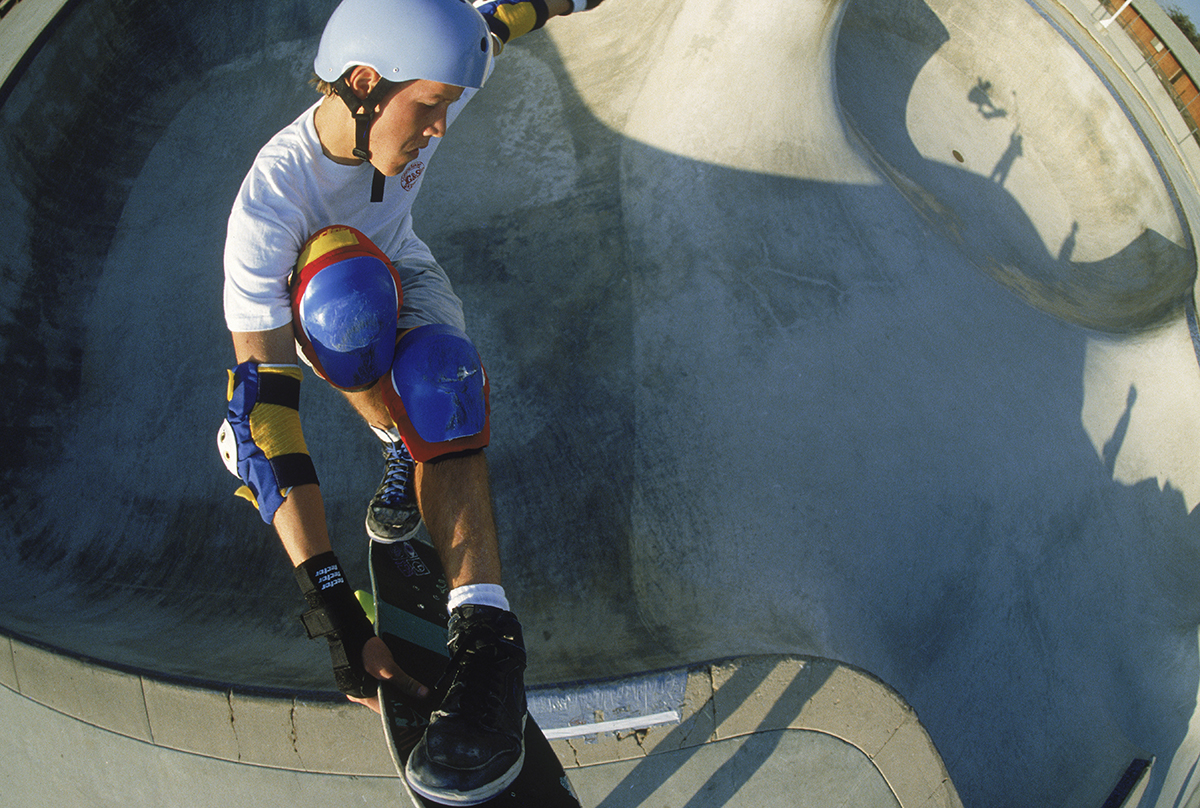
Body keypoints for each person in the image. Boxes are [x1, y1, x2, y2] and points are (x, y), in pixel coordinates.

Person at [218, 0, 602, 803]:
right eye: (428, 108)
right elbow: (265, 421)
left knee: (442, 379)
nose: (439, 128)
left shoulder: (423, 76)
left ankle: (490, 644)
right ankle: (394, 432)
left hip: (406, 266)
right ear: (364, 84)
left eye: (445, 107)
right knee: (346, 297)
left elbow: (501, 18)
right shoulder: (269, 207)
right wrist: (337, 618)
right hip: (330, 306)